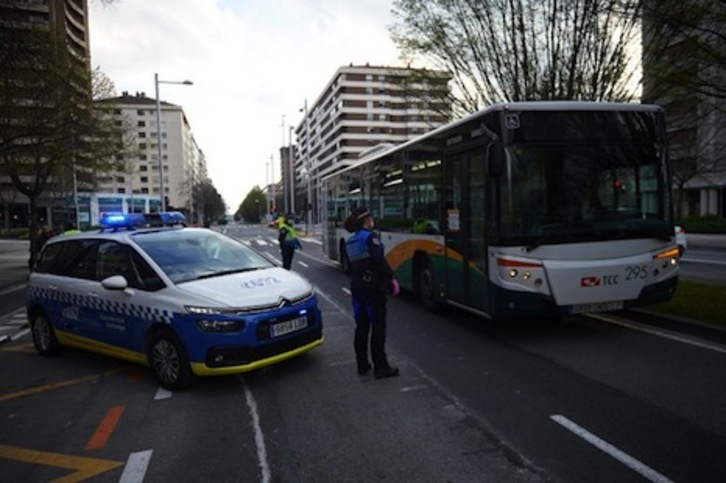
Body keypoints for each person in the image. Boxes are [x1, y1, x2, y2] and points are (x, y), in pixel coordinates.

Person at [344, 207, 400, 379]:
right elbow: (379, 261)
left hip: (357, 288)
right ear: (366, 220)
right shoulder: (370, 237)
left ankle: (362, 365)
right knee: (378, 327)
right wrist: (392, 278)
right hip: (373, 289)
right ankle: (381, 367)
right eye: (370, 217)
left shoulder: (350, 241)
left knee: (361, 327)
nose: (372, 220)